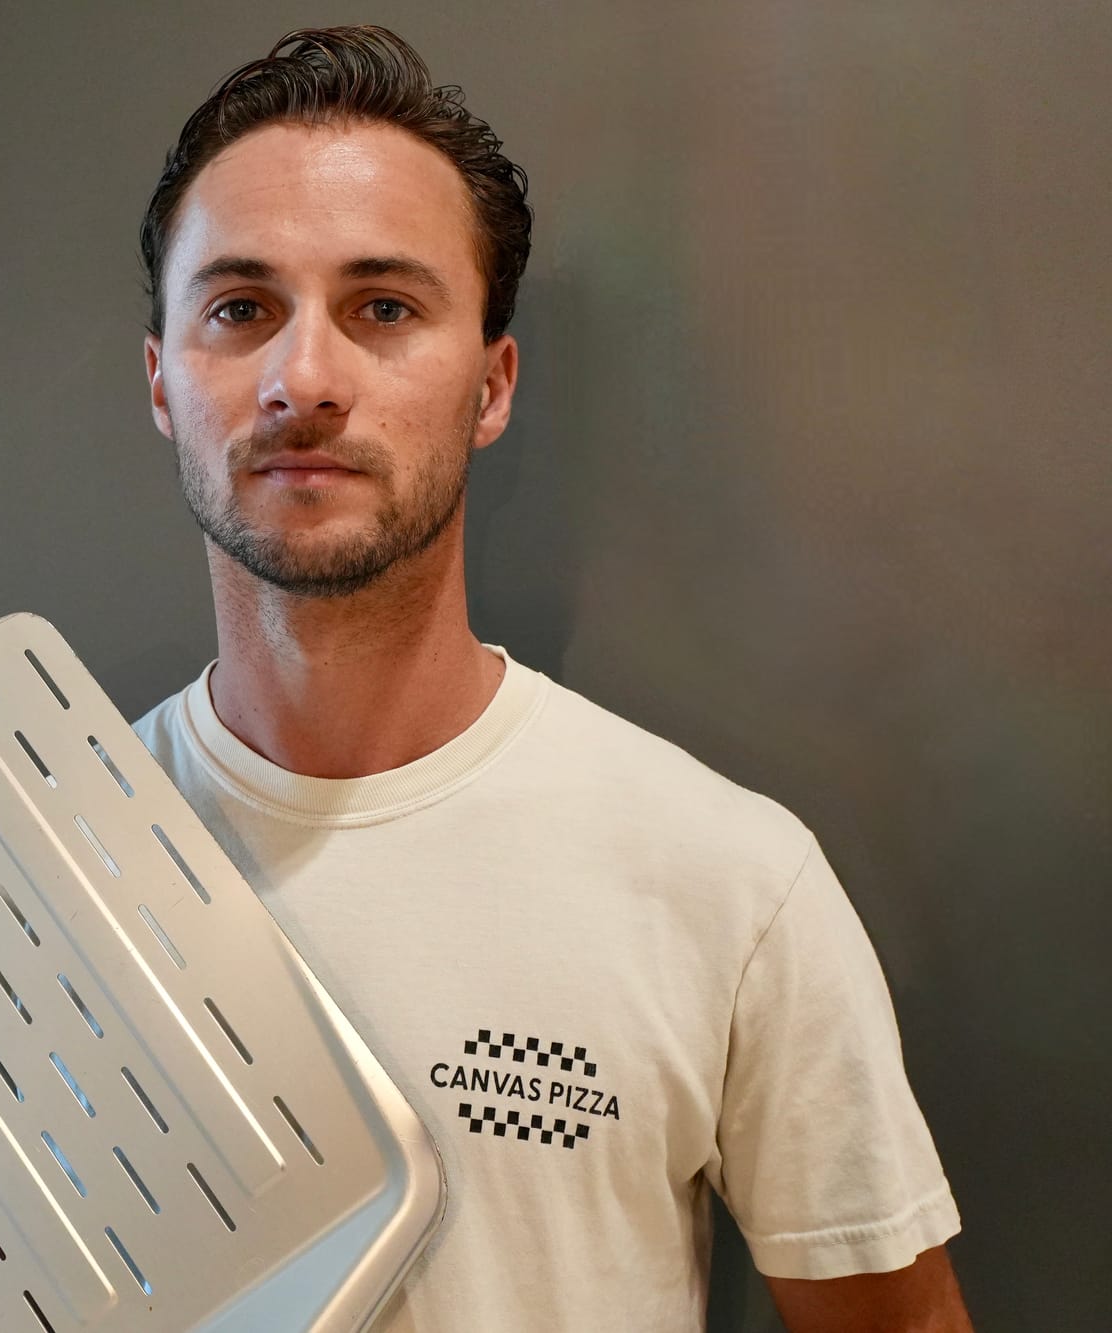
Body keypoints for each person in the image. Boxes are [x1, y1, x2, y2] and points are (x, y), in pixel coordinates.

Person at [128, 26, 969, 1331]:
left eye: (384, 308)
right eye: (240, 309)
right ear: (163, 383)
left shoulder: (726, 881)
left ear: (492, 384)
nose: (304, 379)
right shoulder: (36, 884)